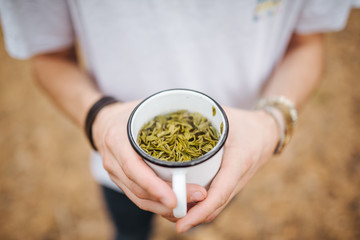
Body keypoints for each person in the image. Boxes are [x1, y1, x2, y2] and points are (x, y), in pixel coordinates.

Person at [0, 0, 354, 239]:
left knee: (207, 212)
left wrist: (270, 123)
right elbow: (48, 57)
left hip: (234, 156)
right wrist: (99, 118)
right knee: (129, 227)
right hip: (120, 163)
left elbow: (307, 43)